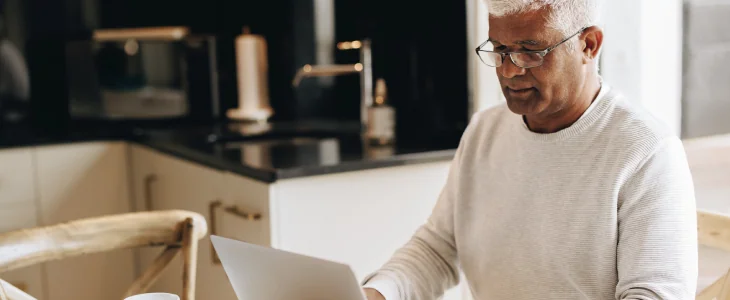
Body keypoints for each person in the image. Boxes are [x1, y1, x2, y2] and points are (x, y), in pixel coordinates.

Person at [362, 0, 698, 299]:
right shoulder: (484, 132)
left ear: (589, 45)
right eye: (500, 49)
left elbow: (654, 293)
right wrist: (377, 293)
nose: (509, 71)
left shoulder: (646, 150)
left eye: (530, 50)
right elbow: (437, 250)